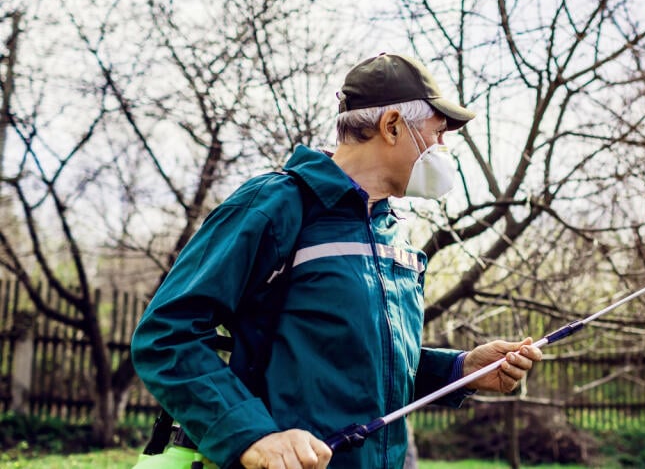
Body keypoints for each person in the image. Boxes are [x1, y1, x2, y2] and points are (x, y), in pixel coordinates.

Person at [131, 53, 542, 469]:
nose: (443, 148)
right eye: (438, 133)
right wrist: (253, 437)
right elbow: (167, 335)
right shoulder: (274, 206)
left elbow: (356, 365)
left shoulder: (392, 231)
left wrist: (460, 370)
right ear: (393, 126)